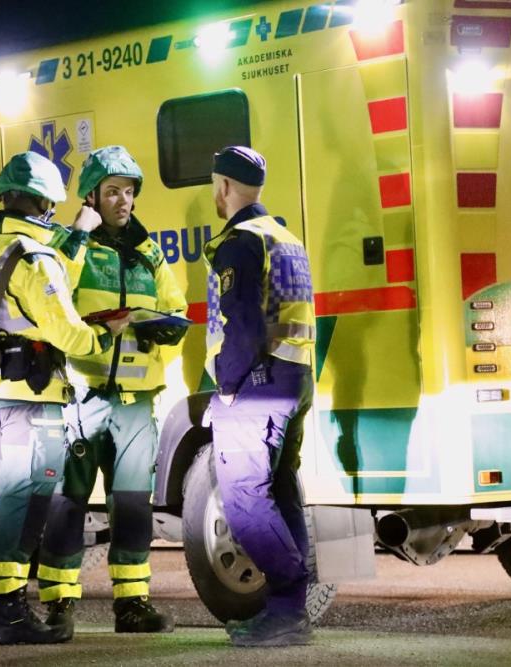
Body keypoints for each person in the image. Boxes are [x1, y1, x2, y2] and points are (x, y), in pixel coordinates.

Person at [0, 151, 129, 645]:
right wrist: (106, 336)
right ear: (44, 204)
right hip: (31, 400)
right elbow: (66, 330)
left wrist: (74, 240)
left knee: (1, 503)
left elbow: (35, 296)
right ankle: (12, 615)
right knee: (26, 504)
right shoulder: (34, 258)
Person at [36, 146, 188, 638]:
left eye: (129, 191)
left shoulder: (149, 252)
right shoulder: (70, 245)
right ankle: (59, 605)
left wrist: (163, 325)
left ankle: (132, 605)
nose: (124, 201)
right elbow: (52, 291)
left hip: (136, 402)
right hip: (83, 397)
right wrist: (78, 233)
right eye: (112, 192)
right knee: (68, 503)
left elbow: (176, 305)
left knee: (133, 505)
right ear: (91, 197)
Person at [202, 146, 316, 647]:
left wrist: (227, 388)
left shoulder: (241, 241)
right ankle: (291, 610)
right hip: (295, 377)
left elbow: (242, 324)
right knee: (281, 490)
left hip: (257, 385)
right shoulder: (285, 236)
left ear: (224, 186)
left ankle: (287, 605)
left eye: (215, 186)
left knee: (244, 498)